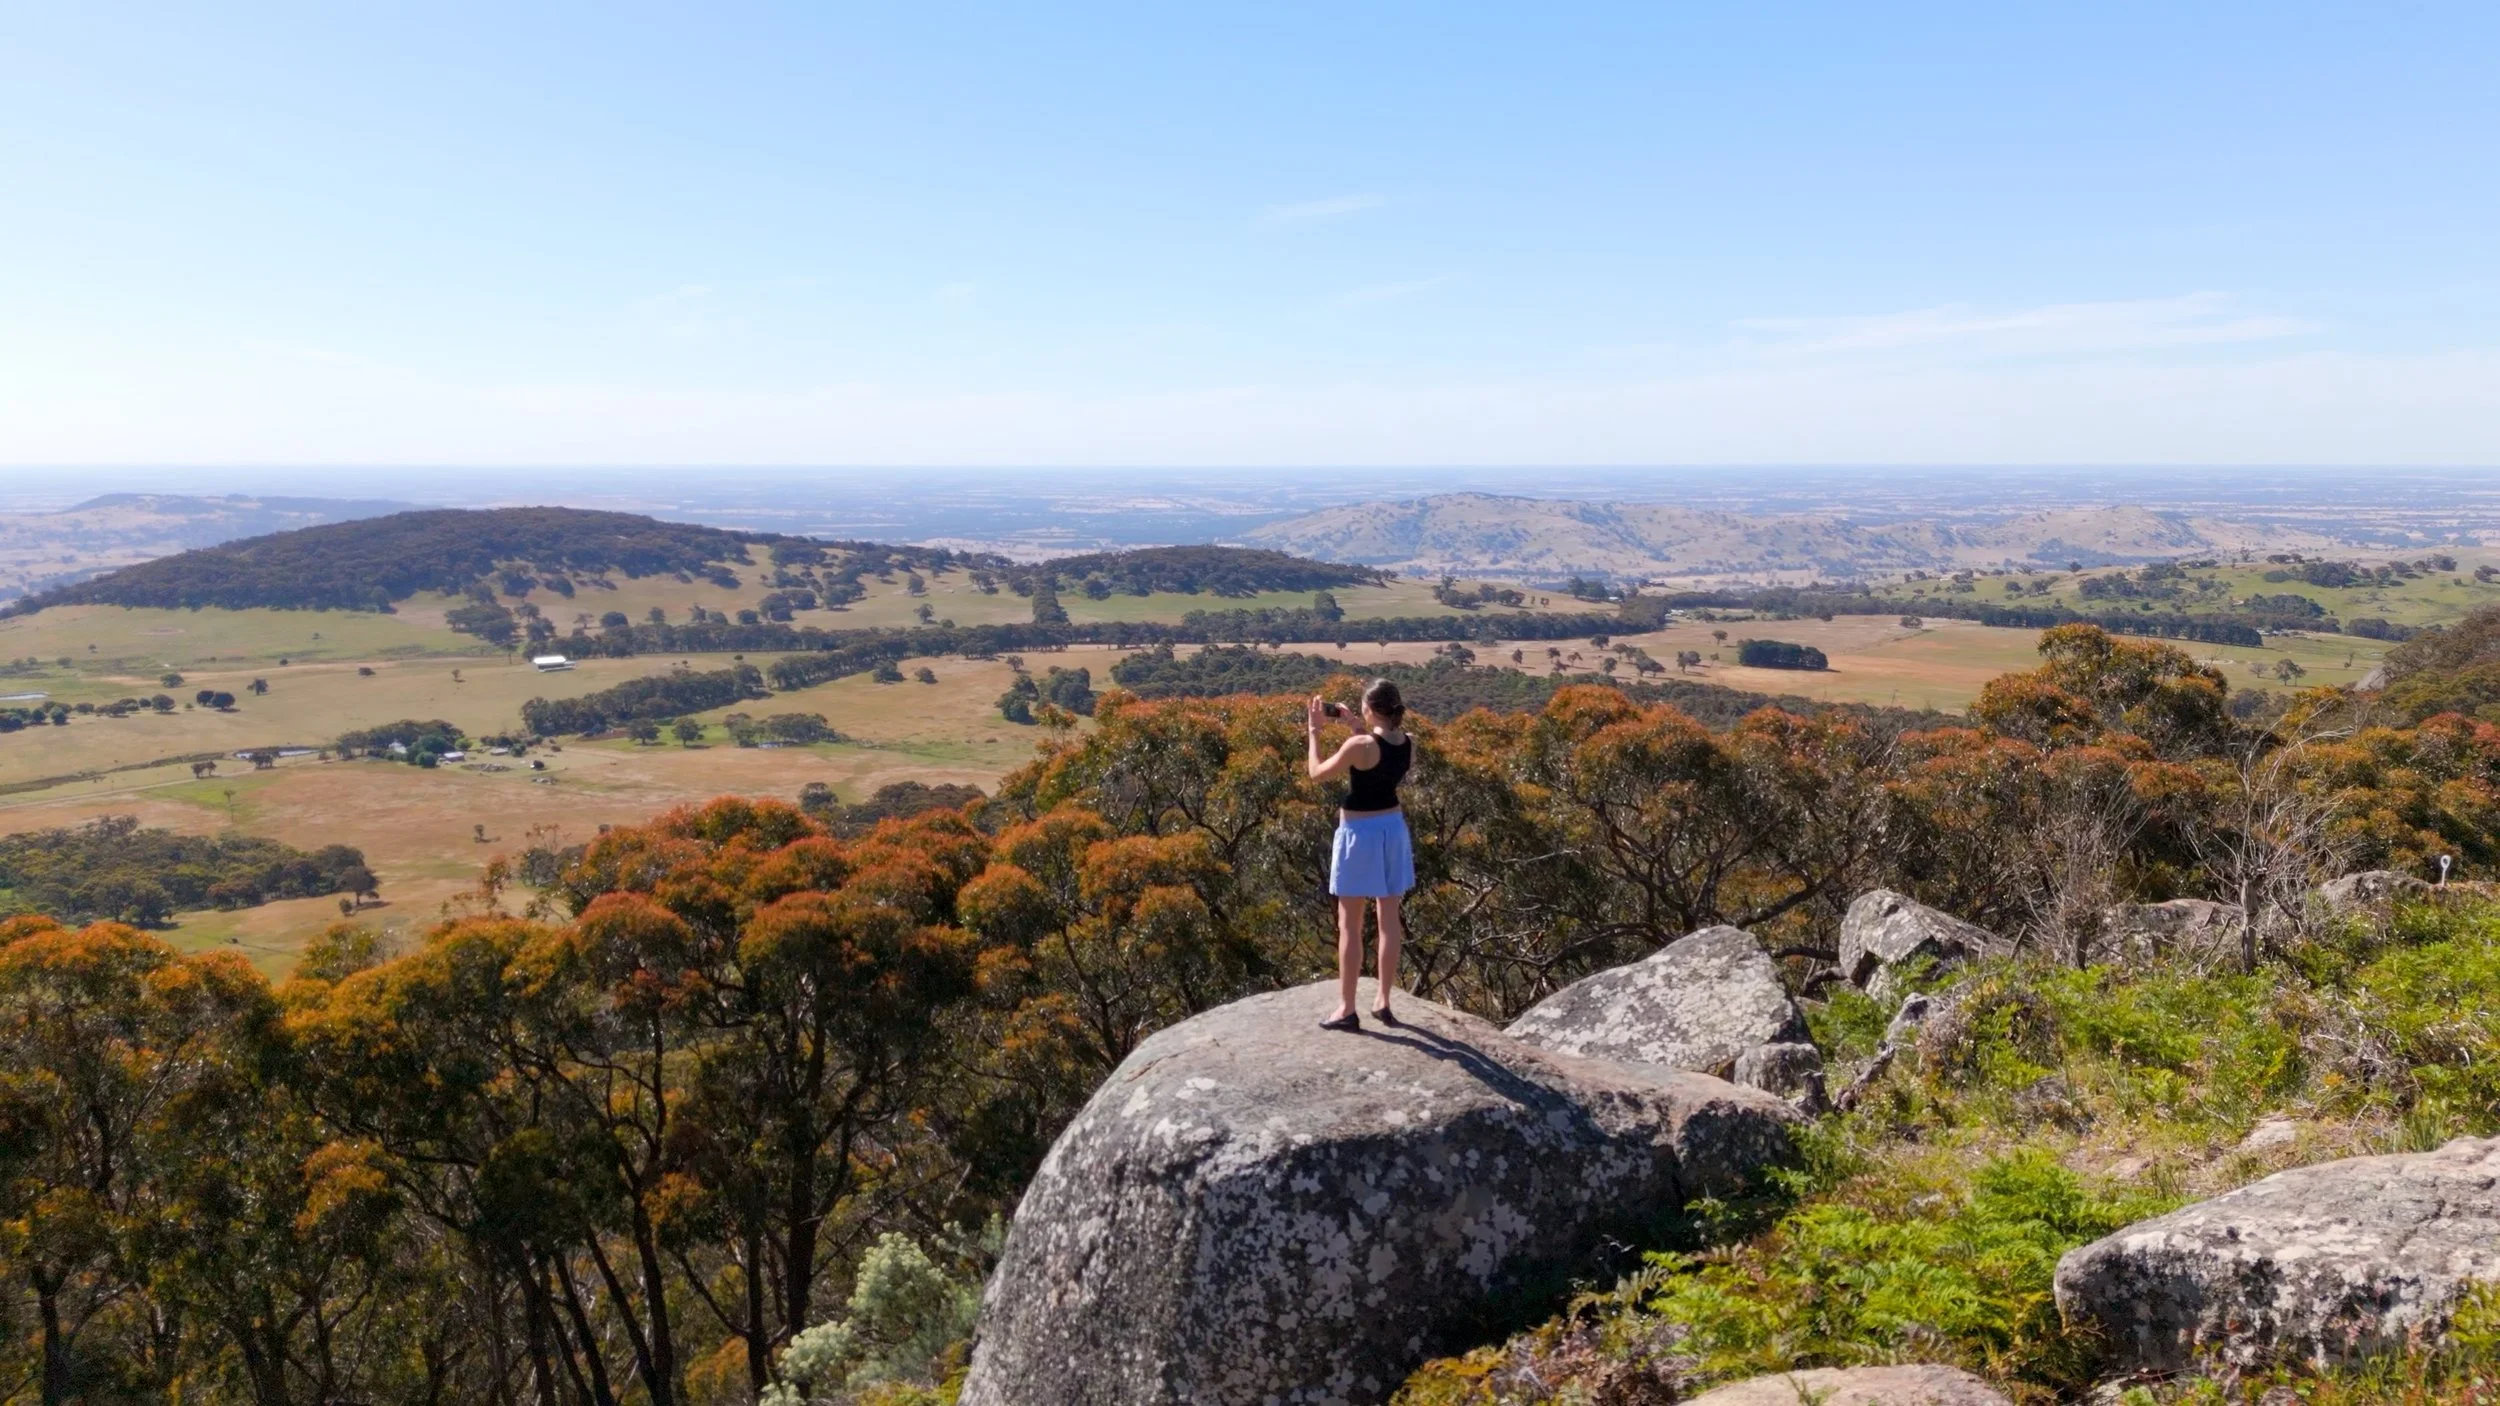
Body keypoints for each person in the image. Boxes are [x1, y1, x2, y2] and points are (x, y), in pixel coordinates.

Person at [1306, 679, 1414, 1031]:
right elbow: (1378, 763)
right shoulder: (1408, 742)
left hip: (1359, 835)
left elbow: (1317, 774)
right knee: (1389, 919)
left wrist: (1314, 733)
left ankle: (1347, 1009)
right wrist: (1355, 726)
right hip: (1393, 829)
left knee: (1350, 925)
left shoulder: (1359, 744)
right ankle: (1383, 1000)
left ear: (1369, 708)